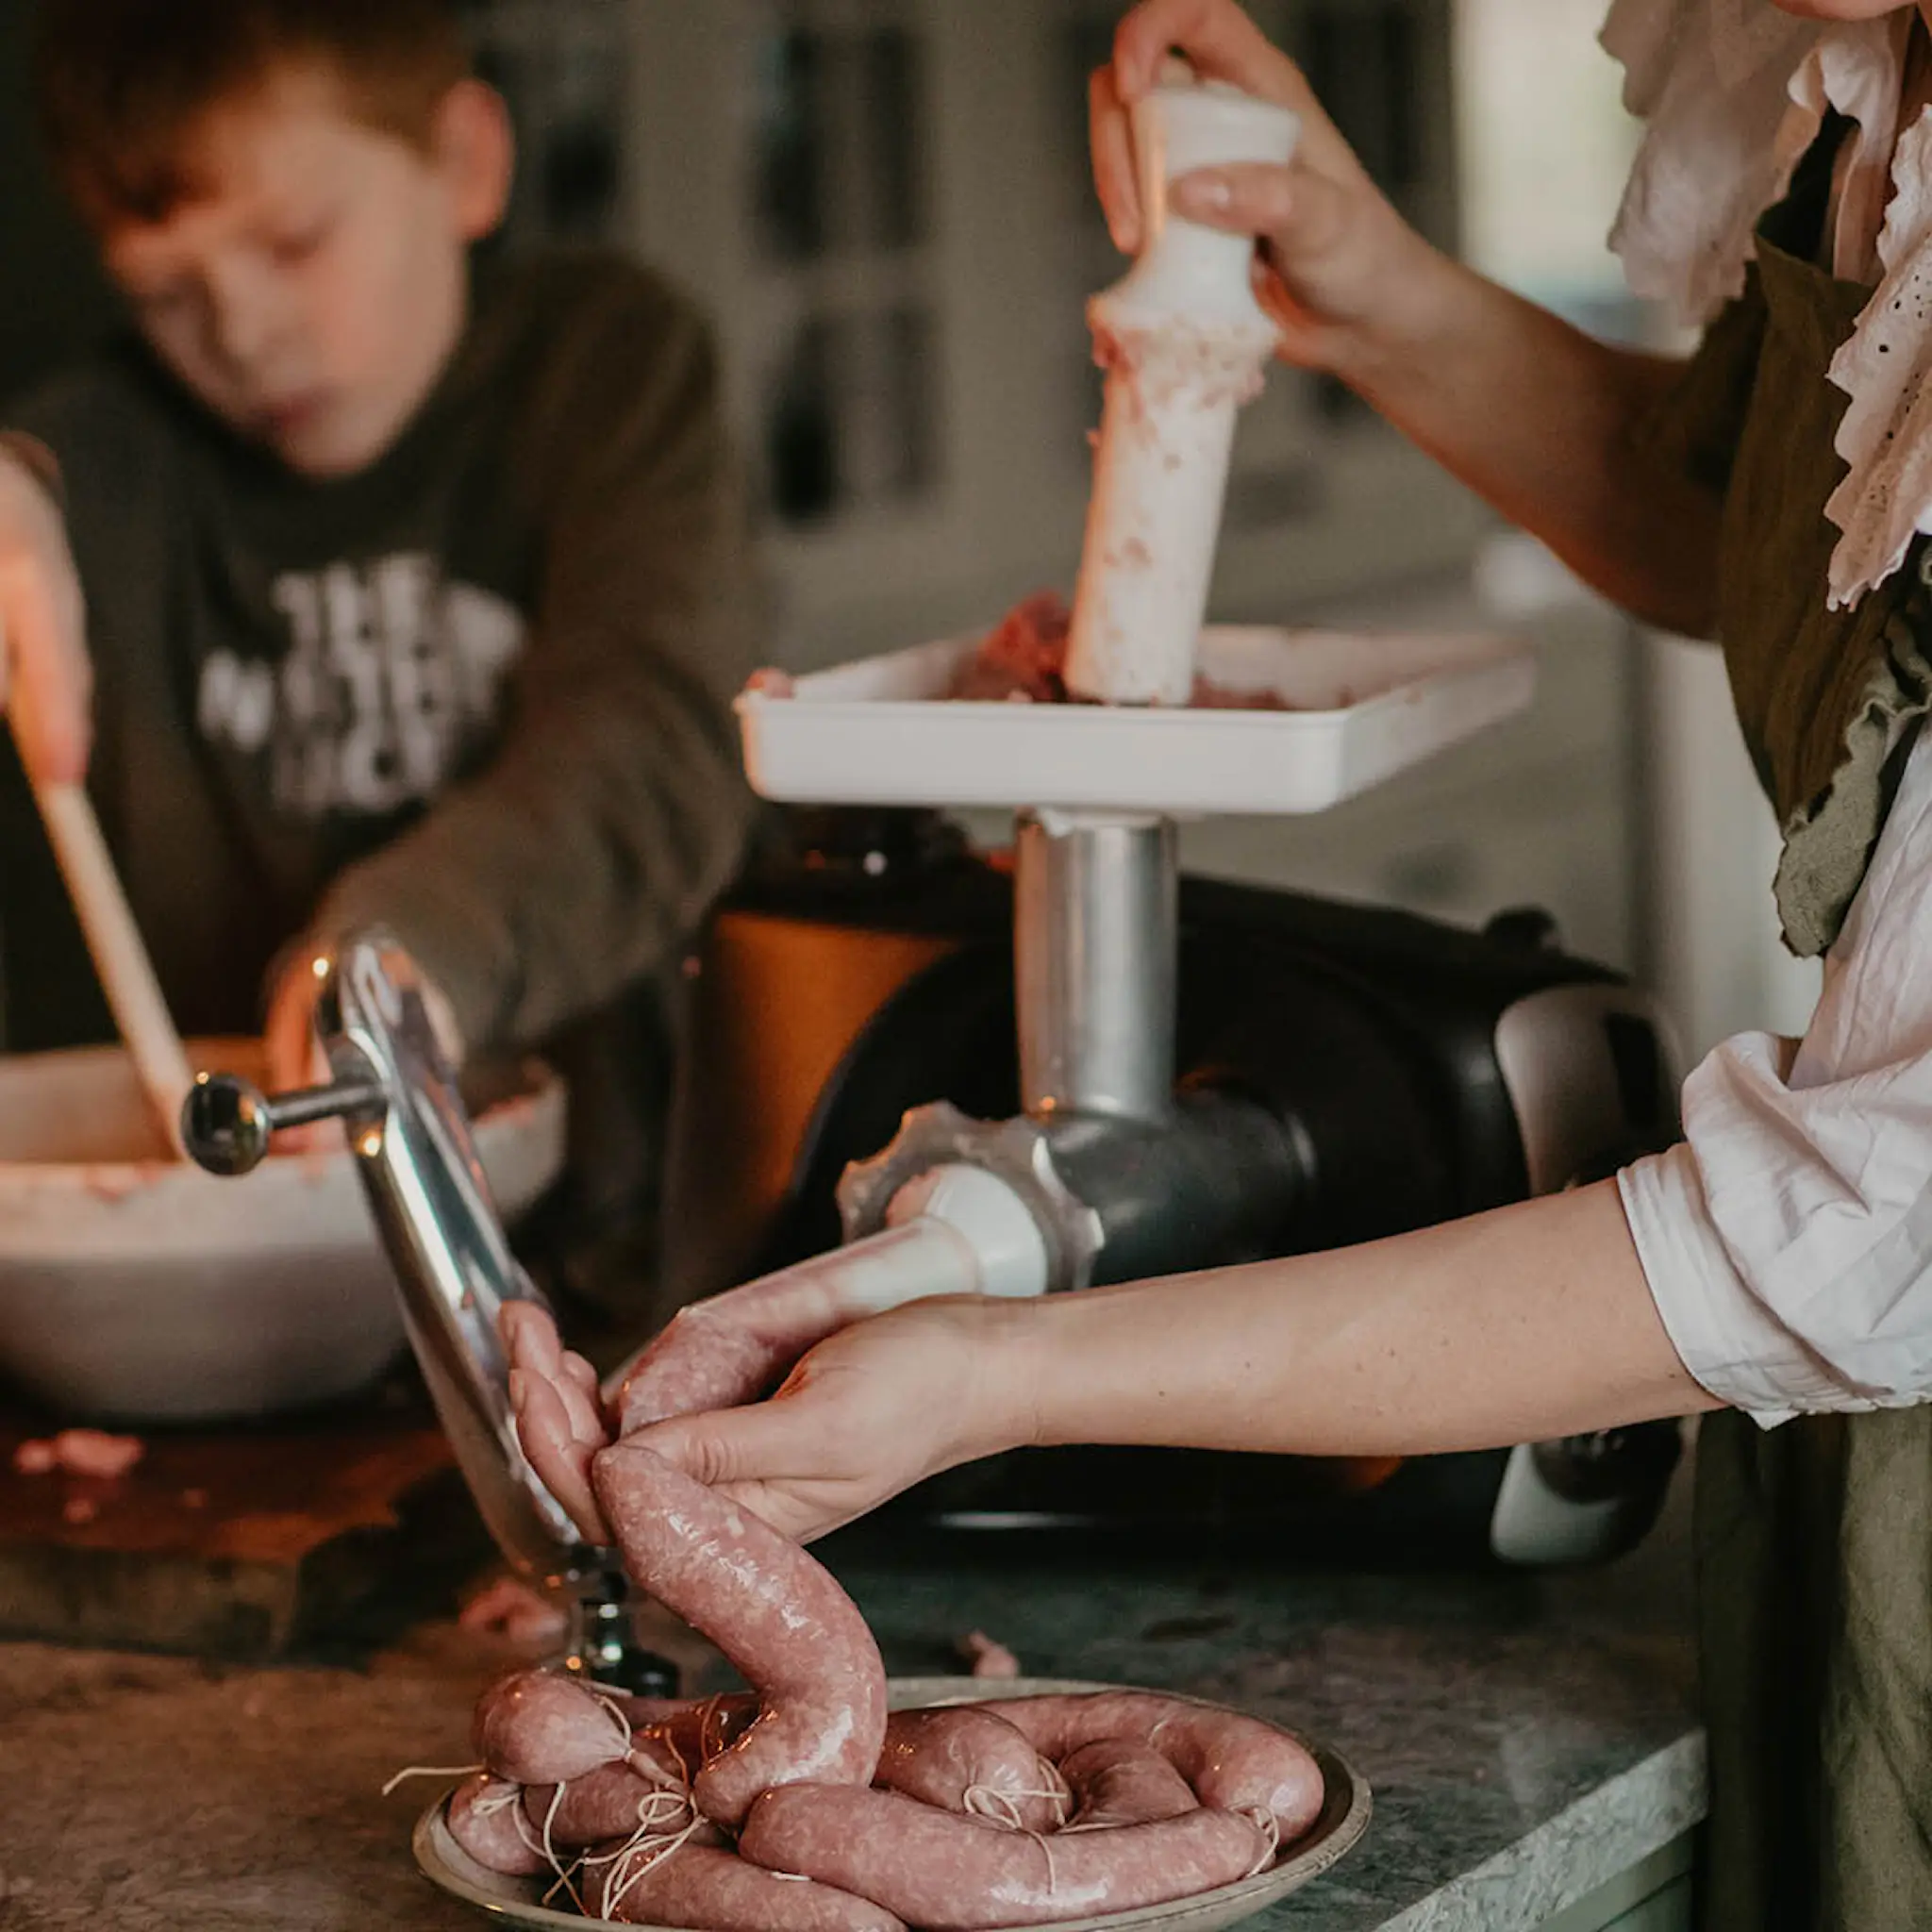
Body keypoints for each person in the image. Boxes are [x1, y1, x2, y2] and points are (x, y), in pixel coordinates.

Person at [505, 0, 1932, 1924]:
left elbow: (1857, 1221)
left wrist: (997, 1374)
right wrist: (1372, 288)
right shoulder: (1843, 66)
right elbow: (1760, 510)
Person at [0, 0, 758, 1334]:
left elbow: (654, 744)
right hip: (262, 1299)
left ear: (464, 162)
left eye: (294, 244)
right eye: (164, 295)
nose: (240, 336)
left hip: (629, 1257)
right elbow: (40, 476)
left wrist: (404, 955)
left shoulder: (604, 369)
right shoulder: (114, 454)